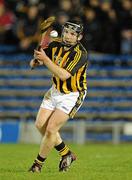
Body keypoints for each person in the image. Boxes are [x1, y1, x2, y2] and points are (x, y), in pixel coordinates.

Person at [28, 19, 88, 173]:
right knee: (40, 125)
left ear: (79, 37)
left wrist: (45, 59)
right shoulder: (55, 43)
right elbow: (37, 61)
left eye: (73, 34)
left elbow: (63, 75)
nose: (68, 36)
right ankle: (66, 153)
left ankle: (37, 164)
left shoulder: (80, 54)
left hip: (72, 94)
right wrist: (35, 62)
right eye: (67, 32)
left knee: (51, 128)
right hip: (55, 90)